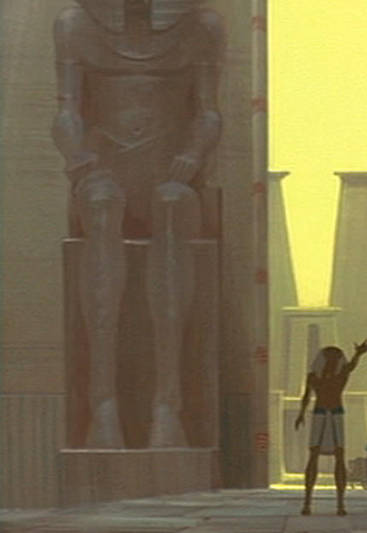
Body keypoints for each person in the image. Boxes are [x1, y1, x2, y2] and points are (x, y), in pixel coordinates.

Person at [52, 0, 225, 448]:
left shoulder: (201, 28)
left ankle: (168, 401)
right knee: (102, 207)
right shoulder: (74, 25)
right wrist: (80, 160)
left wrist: (193, 154)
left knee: (171, 207)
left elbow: (208, 112)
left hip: (170, 172)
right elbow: (67, 112)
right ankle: (102, 400)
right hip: (103, 172)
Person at [294, 339, 367, 516]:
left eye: (334, 359)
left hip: (335, 414)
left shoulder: (340, 376)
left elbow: (350, 367)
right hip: (320, 414)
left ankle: (340, 504)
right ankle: (307, 502)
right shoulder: (314, 377)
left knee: (339, 456)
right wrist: (301, 414)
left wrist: (358, 354)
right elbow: (306, 396)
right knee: (314, 456)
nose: (331, 362)